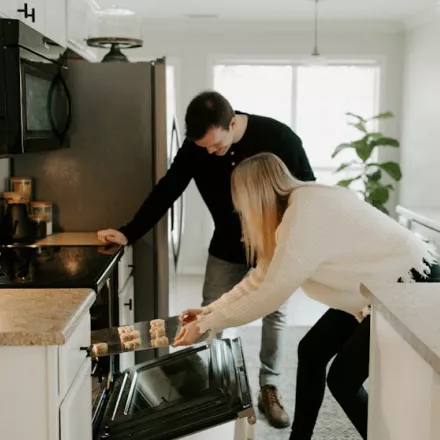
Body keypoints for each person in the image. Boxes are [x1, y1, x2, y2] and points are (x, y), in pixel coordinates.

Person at [173, 152, 440, 440]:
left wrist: (206, 326)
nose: (237, 206)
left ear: (254, 194)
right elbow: (260, 280)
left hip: (410, 281)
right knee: (312, 350)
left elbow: (269, 294)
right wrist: (209, 312)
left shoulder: (304, 215)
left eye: (239, 197)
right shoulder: (291, 212)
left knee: (342, 379)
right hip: (376, 287)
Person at [97, 91, 316, 428]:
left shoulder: (278, 137)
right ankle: (210, 387)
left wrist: (295, 243)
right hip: (226, 246)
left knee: (275, 313)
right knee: (209, 311)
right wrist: (129, 232)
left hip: (274, 245)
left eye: (217, 146)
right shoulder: (197, 148)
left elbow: (308, 191)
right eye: (205, 149)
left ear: (232, 123)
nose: (212, 153)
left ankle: (268, 387)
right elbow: (167, 189)